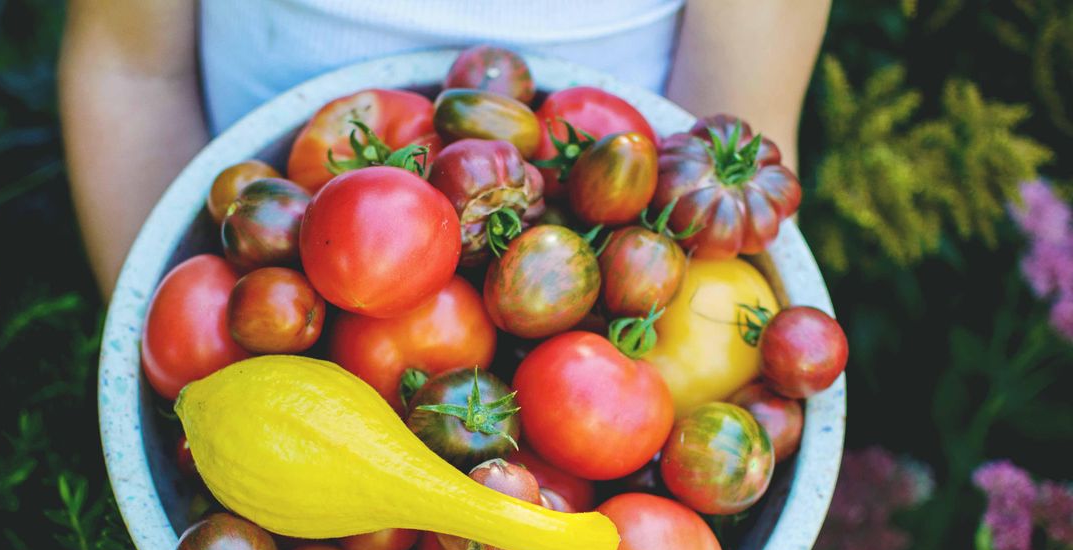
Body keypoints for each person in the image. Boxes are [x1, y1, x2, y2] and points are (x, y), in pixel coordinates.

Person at [59, 0, 831, 299]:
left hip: (607, 263)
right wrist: (167, 332)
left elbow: (731, 161)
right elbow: (131, 71)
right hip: (252, 254)